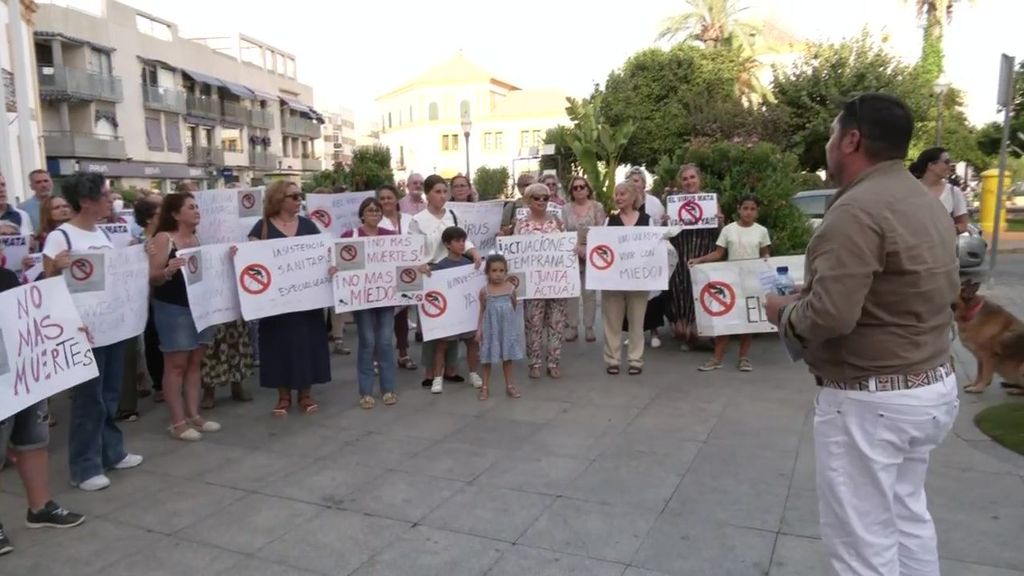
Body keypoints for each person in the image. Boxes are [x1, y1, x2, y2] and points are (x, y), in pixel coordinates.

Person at [767, 93, 960, 576]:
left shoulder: (857, 210)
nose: (829, 145)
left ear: (851, 139)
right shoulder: (924, 199)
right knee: (906, 517)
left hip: (871, 402)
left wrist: (784, 315)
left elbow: (831, 316)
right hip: (928, 385)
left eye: (833, 135)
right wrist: (811, 294)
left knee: (861, 546)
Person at [42, 172, 144, 491]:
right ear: (85, 201)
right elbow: (45, 286)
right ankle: (84, 467)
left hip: (109, 323)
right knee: (89, 398)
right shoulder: (61, 237)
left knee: (110, 392)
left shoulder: (101, 233)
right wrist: (54, 267)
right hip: (81, 328)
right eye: (104, 194)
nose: (110, 199)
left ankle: (111, 452)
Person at [0, 268, 86, 557]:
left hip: (24, 377)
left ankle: (40, 507)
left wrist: (70, 328)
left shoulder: (7, 277)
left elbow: (34, 319)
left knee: (33, 441)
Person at [244, 180, 331, 416]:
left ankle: (305, 394)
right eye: (293, 196)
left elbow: (324, 255)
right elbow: (250, 260)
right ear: (278, 199)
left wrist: (331, 266)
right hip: (276, 303)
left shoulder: (308, 226)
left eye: (299, 196)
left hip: (307, 300)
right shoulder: (261, 227)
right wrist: (239, 255)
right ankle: (282, 396)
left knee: (306, 342)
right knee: (278, 344)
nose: (298, 200)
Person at [338, 197, 426, 408]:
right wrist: (335, 268)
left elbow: (404, 257)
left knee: (386, 342)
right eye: (370, 210)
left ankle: (388, 389)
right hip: (362, 299)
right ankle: (366, 391)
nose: (374, 214)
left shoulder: (389, 236)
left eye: (377, 211)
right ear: (362, 214)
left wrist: (418, 265)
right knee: (367, 342)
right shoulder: (350, 236)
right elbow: (338, 259)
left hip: (385, 298)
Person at [148, 192, 220, 440]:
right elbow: (153, 277)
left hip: (199, 307)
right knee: (176, 364)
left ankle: (193, 415)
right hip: (173, 308)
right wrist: (167, 271)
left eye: (197, 206)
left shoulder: (197, 238)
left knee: (194, 362)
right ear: (176, 214)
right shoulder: (163, 239)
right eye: (191, 207)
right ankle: (177, 421)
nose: (197, 211)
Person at [409, 175, 483, 388]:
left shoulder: (453, 214)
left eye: (444, 191)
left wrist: (474, 253)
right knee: (434, 323)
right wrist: (420, 264)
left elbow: (464, 238)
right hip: (432, 273)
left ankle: (451, 369)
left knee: (455, 320)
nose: (442, 196)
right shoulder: (418, 220)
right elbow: (412, 248)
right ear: (427, 194)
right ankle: (431, 371)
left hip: (454, 270)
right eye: (437, 192)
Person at [689, 193, 771, 372]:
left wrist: (769, 270)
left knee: (748, 320)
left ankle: (743, 357)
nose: (748, 212)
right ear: (738, 210)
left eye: (752, 209)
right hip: (731, 280)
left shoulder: (761, 231)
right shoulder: (728, 230)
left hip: (752, 280)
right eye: (745, 208)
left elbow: (765, 255)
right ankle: (717, 358)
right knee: (725, 318)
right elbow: (719, 254)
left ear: (757, 212)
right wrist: (700, 260)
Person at [666, 164, 723, 349]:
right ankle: (685, 334)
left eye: (692, 177)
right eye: (685, 179)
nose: (689, 181)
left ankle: (701, 334)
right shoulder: (674, 201)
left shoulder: (710, 200)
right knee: (681, 292)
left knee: (700, 292)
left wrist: (720, 220)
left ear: (699, 179)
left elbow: (720, 233)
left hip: (702, 252)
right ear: (680, 182)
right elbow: (669, 232)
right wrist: (665, 223)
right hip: (680, 253)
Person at [516, 183, 568, 379]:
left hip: (556, 280)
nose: (541, 201)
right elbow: (515, 253)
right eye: (536, 197)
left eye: (545, 198)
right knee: (533, 322)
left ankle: (554, 361)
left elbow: (565, 245)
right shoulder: (521, 225)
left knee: (557, 322)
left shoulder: (557, 222)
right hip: (533, 283)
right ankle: (534, 362)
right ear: (528, 200)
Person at [601, 181, 652, 375]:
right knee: (612, 321)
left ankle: (635, 360)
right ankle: (612, 359)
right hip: (614, 280)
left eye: (623, 194)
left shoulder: (647, 220)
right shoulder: (609, 220)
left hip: (639, 280)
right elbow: (603, 248)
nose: (619, 197)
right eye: (616, 194)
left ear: (632, 197)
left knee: (637, 321)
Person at [427, 226, 482, 394]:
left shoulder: (470, 265)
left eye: (463, 241)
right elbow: (432, 287)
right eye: (457, 241)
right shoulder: (440, 267)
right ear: (447, 244)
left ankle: (473, 373)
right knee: (442, 345)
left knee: (472, 343)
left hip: (466, 313)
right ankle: (438, 378)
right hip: (449, 315)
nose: (461, 244)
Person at [625, 167, 667, 349]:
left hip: (651, 255)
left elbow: (660, 226)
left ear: (643, 183)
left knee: (653, 295)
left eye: (637, 181)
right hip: (631, 257)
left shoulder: (655, 202)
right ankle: (635, 333)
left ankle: (655, 331)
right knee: (632, 295)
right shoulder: (625, 202)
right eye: (631, 181)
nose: (634, 184)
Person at [377, 184, 417, 369]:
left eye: (389, 197)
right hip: (382, 276)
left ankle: (403, 352)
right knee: (382, 318)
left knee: (402, 315)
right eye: (382, 198)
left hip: (406, 274)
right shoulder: (375, 221)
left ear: (396, 199)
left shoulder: (410, 220)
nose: (386, 201)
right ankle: (376, 357)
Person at [561, 176, 605, 343]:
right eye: (575, 188)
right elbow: (563, 231)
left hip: (592, 253)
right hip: (572, 253)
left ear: (588, 189)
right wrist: (576, 248)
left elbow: (602, 230)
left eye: (582, 187)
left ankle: (589, 326)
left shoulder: (597, 207)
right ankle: (572, 326)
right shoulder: (565, 209)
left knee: (589, 292)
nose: (579, 190)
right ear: (571, 191)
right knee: (572, 292)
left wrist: (589, 249)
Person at [476, 254, 524, 401]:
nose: (498, 274)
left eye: (501, 270)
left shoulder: (510, 289)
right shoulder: (485, 291)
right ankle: (484, 386)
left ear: (506, 272)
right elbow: (482, 310)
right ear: (487, 272)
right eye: (494, 270)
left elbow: (514, 306)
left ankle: (510, 385)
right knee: (487, 359)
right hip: (491, 330)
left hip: (506, 330)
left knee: (507, 358)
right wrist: (479, 330)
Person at [909, 147, 968, 234]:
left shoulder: (954, 192)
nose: (950, 166)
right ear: (931, 165)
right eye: (946, 162)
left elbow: (963, 224)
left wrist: (945, 231)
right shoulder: (910, 189)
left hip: (944, 246)